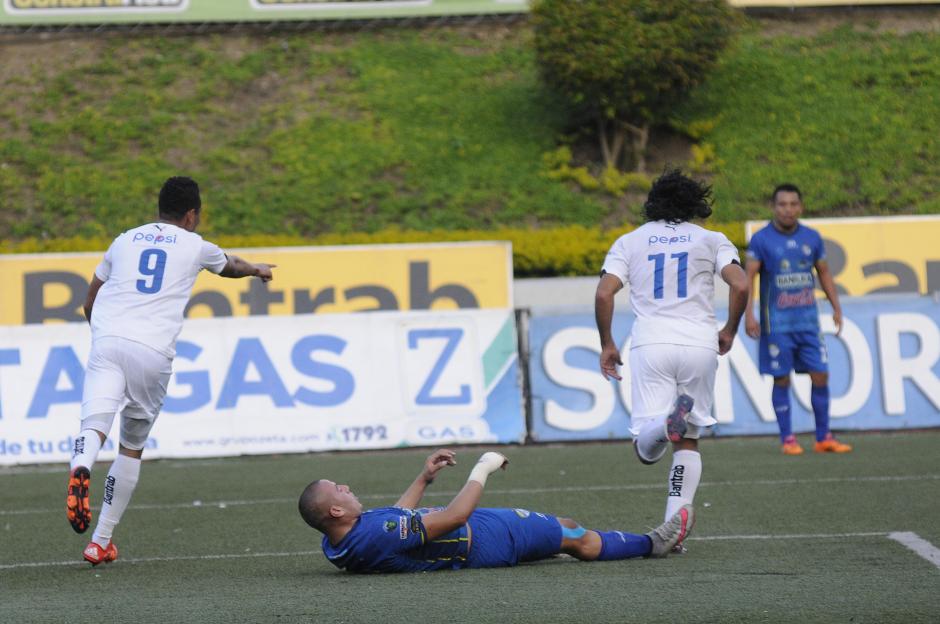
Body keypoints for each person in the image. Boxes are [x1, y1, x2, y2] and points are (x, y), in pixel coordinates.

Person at [66, 176, 276, 565]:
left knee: (94, 423)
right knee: (131, 446)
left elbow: (90, 299)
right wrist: (257, 269)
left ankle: (80, 465)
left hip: (106, 341)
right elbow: (230, 265)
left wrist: (104, 337)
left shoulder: (124, 240)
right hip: (151, 352)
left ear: (159, 208)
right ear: (191, 215)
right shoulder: (196, 245)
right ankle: (100, 541)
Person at [594, 169, 748, 547]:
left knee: (645, 451)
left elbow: (603, 293)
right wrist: (729, 330)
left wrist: (608, 343)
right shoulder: (712, 239)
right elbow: (742, 284)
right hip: (700, 344)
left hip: (652, 344)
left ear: (653, 202)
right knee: (689, 440)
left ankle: (664, 426)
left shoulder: (629, 242)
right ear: (696, 203)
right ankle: (673, 532)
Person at [298, 448, 693, 573]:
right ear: (335, 511)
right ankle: (652, 544)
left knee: (564, 528)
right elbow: (455, 517)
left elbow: (398, 521)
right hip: (483, 539)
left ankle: (553, 544)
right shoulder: (373, 534)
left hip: (475, 536)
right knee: (574, 536)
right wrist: (484, 466)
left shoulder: (336, 542)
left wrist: (424, 478)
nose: (345, 487)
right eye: (338, 490)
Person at [744, 183, 852, 456]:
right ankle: (788, 439)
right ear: (773, 207)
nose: (788, 209)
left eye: (793, 204)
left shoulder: (811, 238)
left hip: (808, 323)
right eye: (782, 204)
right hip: (777, 325)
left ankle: (823, 437)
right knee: (781, 379)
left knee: (821, 374)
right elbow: (748, 278)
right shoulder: (761, 240)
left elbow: (824, 273)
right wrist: (749, 314)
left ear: (801, 207)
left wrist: (836, 308)